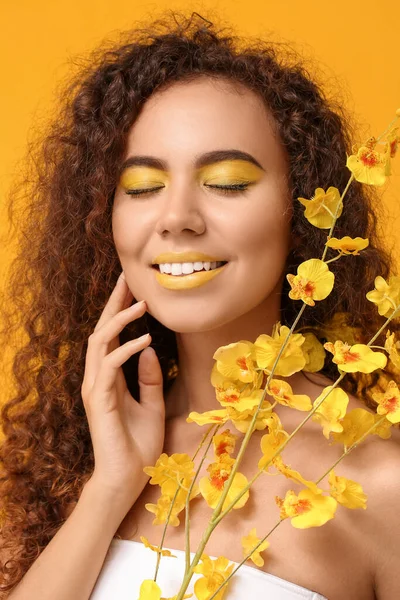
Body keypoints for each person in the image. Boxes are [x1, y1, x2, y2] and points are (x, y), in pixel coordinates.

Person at [0, 9, 399, 600]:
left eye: (228, 181)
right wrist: (110, 488)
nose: (177, 218)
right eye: (140, 188)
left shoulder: (382, 482)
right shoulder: (64, 465)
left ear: (303, 209)